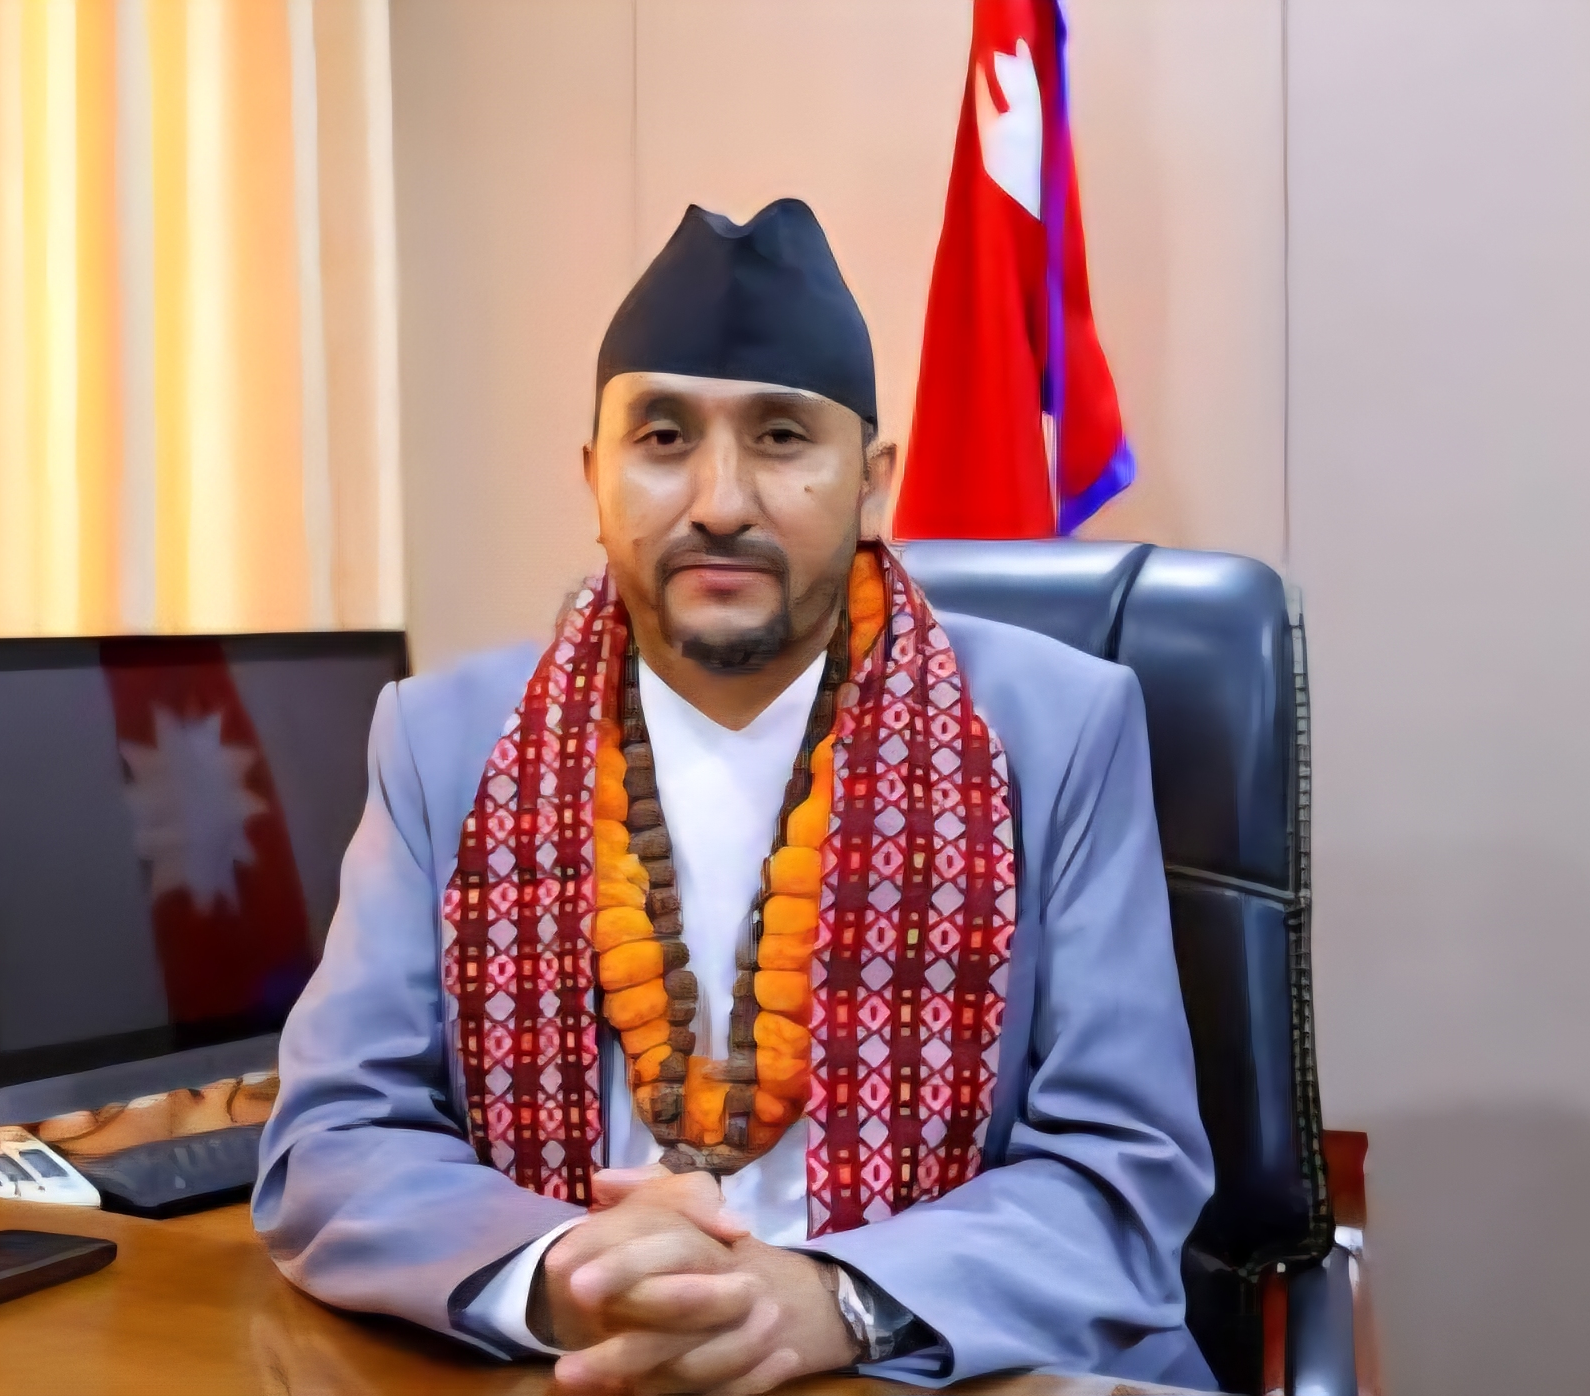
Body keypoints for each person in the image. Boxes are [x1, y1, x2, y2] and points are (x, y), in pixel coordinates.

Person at [253, 199, 1214, 1393]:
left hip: (938, 1357)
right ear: (594, 476)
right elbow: (333, 1139)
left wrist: (833, 1299)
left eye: (779, 437)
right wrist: (562, 1272)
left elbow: (1124, 1165)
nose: (718, 499)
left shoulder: (1059, 728)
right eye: (663, 437)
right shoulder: (443, 740)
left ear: (871, 484)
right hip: (578, 1364)